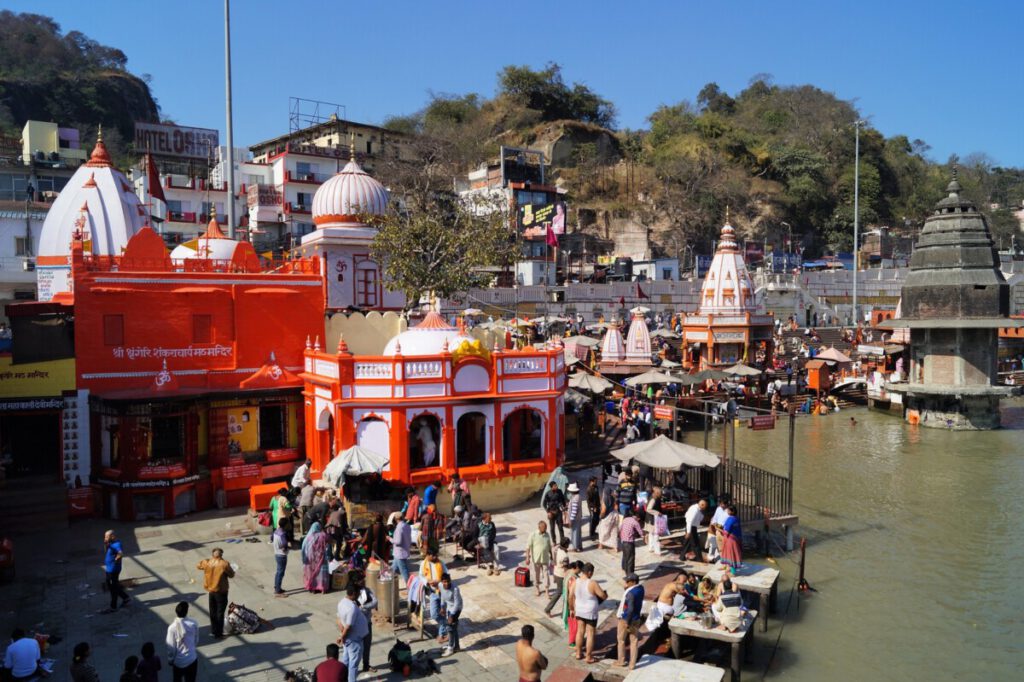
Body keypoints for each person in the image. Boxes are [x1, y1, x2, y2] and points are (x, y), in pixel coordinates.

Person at [572, 563, 606, 664]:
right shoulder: (592, 583)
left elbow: (570, 596)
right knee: (590, 633)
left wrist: (572, 608)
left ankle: (578, 653)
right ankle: (589, 657)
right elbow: (603, 596)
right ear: (590, 572)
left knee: (580, 632)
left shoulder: (575, 581)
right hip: (590, 612)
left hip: (579, 610)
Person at [196, 548, 234, 638]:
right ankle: (218, 633)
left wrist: (207, 561)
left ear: (213, 555)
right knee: (220, 613)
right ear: (221, 555)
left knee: (212, 612)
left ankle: (213, 630)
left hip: (211, 591)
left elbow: (198, 565)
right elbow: (231, 574)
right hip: (221, 591)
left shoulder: (207, 562)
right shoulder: (224, 564)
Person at [336, 585, 369, 682]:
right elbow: (348, 626)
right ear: (354, 594)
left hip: (348, 639)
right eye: (358, 593)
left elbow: (338, 619)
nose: (359, 595)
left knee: (346, 661)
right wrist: (342, 636)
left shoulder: (341, 602)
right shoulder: (351, 608)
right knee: (353, 665)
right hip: (354, 640)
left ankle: (343, 679)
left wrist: (342, 634)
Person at [616, 573, 645, 671]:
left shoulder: (630, 593)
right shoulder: (641, 588)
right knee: (634, 642)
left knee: (621, 640)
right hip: (637, 619)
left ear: (633, 582)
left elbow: (630, 609)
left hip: (626, 619)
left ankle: (621, 661)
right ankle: (632, 665)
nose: (625, 583)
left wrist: (627, 622)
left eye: (627, 581)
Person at [165, 602, 199, 682]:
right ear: (187, 611)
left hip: (179, 662)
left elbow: (171, 647)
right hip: (192, 658)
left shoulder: (172, 628)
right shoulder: (193, 623)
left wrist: (170, 659)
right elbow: (196, 640)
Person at [419, 549, 447, 635]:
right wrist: (427, 582)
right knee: (434, 614)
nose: (435, 557)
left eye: (436, 555)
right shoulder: (423, 564)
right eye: (433, 556)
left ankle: (442, 633)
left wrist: (438, 582)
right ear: (428, 555)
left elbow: (447, 576)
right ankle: (445, 624)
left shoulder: (441, 563)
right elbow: (421, 576)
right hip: (432, 592)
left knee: (442, 612)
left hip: (442, 592)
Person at [354, 575, 378, 673]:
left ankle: (366, 665)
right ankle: (353, 667)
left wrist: (364, 607)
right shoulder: (353, 592)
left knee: (367, 645)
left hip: (367, 622)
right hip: (356, 625)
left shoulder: (368, 590)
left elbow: (375, 602)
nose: (363, 582)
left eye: (363, 580)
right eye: (360, 580)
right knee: (356, 648)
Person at [103, 529, 131, 612]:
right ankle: (126, 598)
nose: (105, 538)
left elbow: (120, 553)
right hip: (109, 569)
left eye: (106, 536)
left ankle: (113, 607)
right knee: (111, 585)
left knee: (113, 588)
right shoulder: (110, 543)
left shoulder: (116, 544)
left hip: (113, 570)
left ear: (112, 536)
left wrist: (116, 559)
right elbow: (106, 551)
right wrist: (106, 543)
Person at [525, 520, 553, 598]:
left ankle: (547, 590)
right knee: (536, 575)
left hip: (545, 558)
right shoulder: (533, 535)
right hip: (536, 559)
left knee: (546, 574)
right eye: (544, 528)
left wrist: (551, 555)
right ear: (539, 527)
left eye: (546, 527)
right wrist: (527, 557)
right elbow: (528, 547)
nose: (546, 529)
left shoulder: (547, 535)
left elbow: (549, 546)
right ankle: (537, 588)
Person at [302, 521, 332, 594]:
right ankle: (322, 588)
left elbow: (304, 547)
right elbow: (330, 540)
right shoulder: (323, 535)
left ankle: (313, 588)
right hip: (321, 557)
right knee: (322, 573)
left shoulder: (308, 537)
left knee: (313, 573)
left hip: (311, 559)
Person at [437, 573, 463, 657]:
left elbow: (457, 603)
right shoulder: (440, 585)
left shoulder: (455, 589)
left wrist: (452, 615)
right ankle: (457, 647)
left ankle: (450, 648)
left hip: (457, 608)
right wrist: (442, 607)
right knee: (454, 627)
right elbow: (442, 596)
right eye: (444, 582)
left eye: (448, 581)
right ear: (442, 582)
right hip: (449, 606)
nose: (446, 583)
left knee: (450, 628)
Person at [544, 538, 571, 616]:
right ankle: (549, 609)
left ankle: (563, 611)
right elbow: (566, 568)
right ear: (566, 545)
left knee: (560, 592)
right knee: (562, 592)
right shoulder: (564, 556)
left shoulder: (556, 549)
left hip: (556, 572)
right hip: (561, 575)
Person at [618, 509, 644, 576]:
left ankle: (624, 568)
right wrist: (644, 537)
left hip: (623, 541)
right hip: (629, 543)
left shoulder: (625, 519)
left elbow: (620, 529)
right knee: (630, 559)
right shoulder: (635, 522)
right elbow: (641, 533)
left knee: (625, 556)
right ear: (638, 518)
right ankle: (630, 575)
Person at [596, 483, 620, 551]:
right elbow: (616, 506)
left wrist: (601, 516)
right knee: (613, 531)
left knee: (603, 531)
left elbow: (603, 510)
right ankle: (615, 546)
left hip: (607, 516)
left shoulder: (605, 499)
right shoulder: (613, 497)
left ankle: (601, 544)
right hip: (614, 515)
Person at [719, 506, 743, 571]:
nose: (727, 511)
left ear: (731, 512)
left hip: (730, 539)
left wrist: (718, 529)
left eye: (728, 510)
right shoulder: (737, 519)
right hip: (735, 539)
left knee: (731, 555)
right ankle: (726, 567)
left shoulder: (730, 519)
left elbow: (726, 531)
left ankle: (733, 572)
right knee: (727, 553)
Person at [390, 514, 412, 585]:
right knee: (392, 570)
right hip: (402, 552)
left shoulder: (399, 528)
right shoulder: (407, 526)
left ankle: (410, 587)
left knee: (404, 572)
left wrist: (390, 539)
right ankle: (389, 585)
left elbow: (398, 542)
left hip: (400, 553)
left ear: (396, 519)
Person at [272, 518, 289, 596]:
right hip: (282, 555)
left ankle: (277, 587)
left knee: (278, 571)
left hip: (276, 553)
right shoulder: (283, 534)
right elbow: (285, 544)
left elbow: (271, 538)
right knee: (281, 572)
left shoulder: (275, 531)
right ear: (285, 525)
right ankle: (278, 590)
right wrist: (286, 547)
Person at [646, 486, 664, 556]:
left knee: (651, 534)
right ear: (657, 493)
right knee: (656, 535)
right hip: (653, 519)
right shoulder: (654, 499)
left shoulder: (654, 498)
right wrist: (657, 513)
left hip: (650, 519)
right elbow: (648, 509)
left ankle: (651, 547)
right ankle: (657, 551)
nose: (661, 494)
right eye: (660, 492)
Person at [566, 482, 584, 551]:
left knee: (575, 533)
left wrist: (571, 520)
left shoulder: (575, 498)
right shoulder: (578, 496)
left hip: (575, 519)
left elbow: (574, 511)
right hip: (578, 518)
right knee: (578, 533)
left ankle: (575, 547)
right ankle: (579, 546)